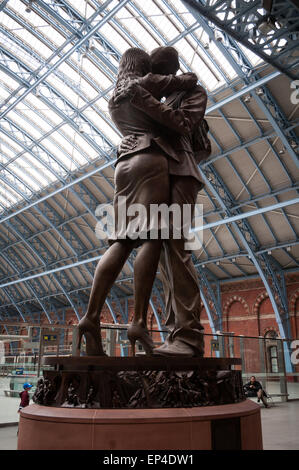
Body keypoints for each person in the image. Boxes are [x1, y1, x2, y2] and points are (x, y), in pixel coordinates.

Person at [76, 47, 198, 356]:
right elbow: (169, 121)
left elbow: (171, 122)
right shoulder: (143, 87)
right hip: (149, 163)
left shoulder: (115, 95)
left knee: (122, 241)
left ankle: (90, 319)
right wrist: (177, 84)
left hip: (125, 166)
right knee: (153, 239)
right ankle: (139, 322)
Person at [117, 46, 208, 356]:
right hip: (162, 172)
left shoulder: (194, 93)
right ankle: (174, 333)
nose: (151, 78)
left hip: (182, 172)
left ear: (169, 70)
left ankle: (190, 337)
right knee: (165, 254)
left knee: (178, 248)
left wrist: (142, 97)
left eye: (156, 72)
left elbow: (182, 124)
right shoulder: (163, 96)